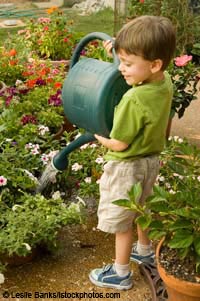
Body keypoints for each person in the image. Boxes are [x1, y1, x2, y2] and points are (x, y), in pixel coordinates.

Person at [89, 15, 176, 290]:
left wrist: (98, 136)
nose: (121, 68)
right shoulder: (165, 82)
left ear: (153, 64)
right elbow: (139, 69)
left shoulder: (133, 98)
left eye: (127, 64)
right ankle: (145, 249)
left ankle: (121, 272)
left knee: (123, 220)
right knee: (143, 208)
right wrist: (120, 49)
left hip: (126, 165)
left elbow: (120, 144)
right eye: (121, 61)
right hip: (151, 160)